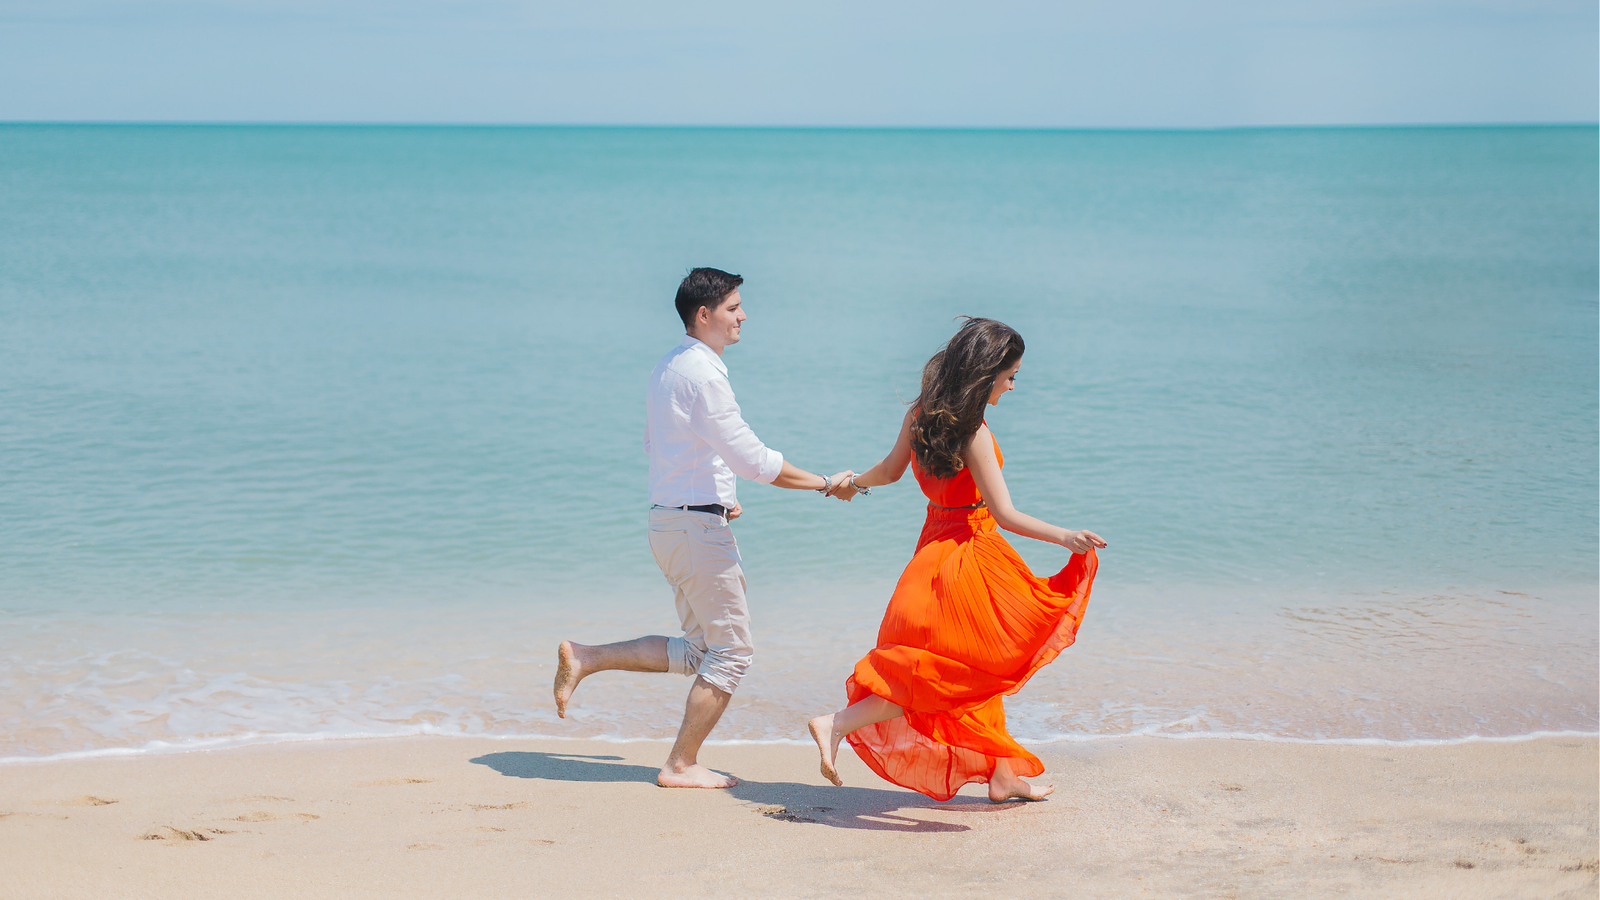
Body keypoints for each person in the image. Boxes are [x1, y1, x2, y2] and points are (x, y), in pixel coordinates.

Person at [554, 267, 853, 789]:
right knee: (732, 652)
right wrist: (826, 483)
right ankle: (680, 764)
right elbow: (754, 459)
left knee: (699, 651)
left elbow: (666, 447)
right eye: (734, 307)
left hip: (670, 522)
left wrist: (723, 497)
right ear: (704, 314)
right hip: (695, 530)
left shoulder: (668, 367)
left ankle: (586, 657)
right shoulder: (706, 375)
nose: (743, 315)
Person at [808, 317, 1106, 802]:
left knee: (974, 666)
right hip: (971, 555)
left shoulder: (920, 414)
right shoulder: (975, 434)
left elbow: (887, 471)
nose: (1012, 386)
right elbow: (1005, 514)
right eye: (1011, 376)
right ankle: (835, 723)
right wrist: (1066, 536)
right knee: (953, 675)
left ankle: (1003, 777)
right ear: (986, 375)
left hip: (931, 552)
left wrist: (851, 482)